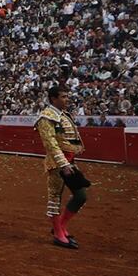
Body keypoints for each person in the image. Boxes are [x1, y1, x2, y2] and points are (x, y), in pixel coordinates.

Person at [34, 84, 88, 249]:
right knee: (55, 199)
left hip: (69, 161)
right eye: (63, 97)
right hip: (57, 164)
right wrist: (63, 163)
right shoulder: (46, 117)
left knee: (81, 195)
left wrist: (68, 162)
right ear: (53, 99)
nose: (67, 99)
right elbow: (50, 144)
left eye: (67, 96)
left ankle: (61, 226)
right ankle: (58, 234)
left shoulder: (63, 115)